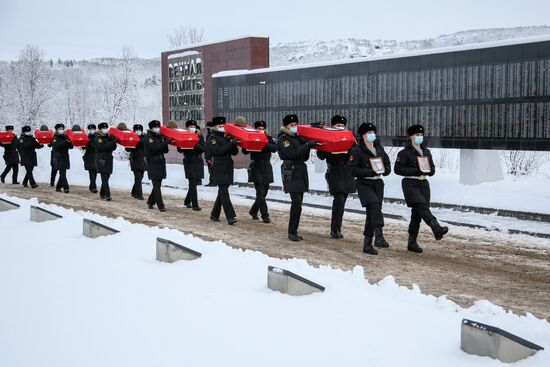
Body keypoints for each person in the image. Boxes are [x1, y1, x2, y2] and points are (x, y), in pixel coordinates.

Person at [394, 124, 448, 253]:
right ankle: (436, 227)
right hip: (410, 183)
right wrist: (417, 170)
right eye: (417, 135)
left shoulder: (426, 151)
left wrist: (428, 171)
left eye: (421, 135)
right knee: (422, 206)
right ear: (411, 136)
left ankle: (412, 243)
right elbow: (398, 169)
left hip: (423, 184)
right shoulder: (404, 153)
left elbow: (433, 169)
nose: (420, 137)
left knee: (417, 214)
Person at [349, 123, 391, 255]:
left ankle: (367, 244)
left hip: (377, 184)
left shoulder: (379, 149)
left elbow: (387, 163)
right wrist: (370, 171)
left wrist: (385, 170)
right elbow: (353, 170)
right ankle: (379, 235)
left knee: (371, 213)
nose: (371, 135)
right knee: (374, 206)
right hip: (364, 184)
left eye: (373, 132)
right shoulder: (357, 151)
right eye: (368, 133)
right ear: (362, 135)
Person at [277, 114, 317, 241]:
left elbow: (303, 156)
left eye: (295, 125)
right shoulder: (283, 139)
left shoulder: (298, 137)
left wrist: (308, 145)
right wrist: (307, 146)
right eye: (291, 125)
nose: (294, 127)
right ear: (286, 126)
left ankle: (294, 230)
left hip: (300, 170)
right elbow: (292, 154)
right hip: (291, 171)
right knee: (296, 201)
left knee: (299, 202)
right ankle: (292, 231)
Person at [317, 115, 356, 238]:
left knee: (343, 200)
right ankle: (335, 229)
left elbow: (356, 152)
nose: (340, 127)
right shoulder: (328, 137)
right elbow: (321, 155)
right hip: (334, 171)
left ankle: (337, 227)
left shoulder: (350, 138)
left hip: (347, 172)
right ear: (333, 126)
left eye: (342, 125)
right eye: (338, 125)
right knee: (338, 199)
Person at [243, 120, 277, 223]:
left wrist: (263, 143)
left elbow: (274, 148)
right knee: (260, 192)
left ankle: (254, 210)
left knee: (264, 191)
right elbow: (245, 150)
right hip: (256, 167)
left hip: (266, 166)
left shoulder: (269, 138)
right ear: (255, 129)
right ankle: (265, 215)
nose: (261, 130)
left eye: (263, 129)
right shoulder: (252, 138)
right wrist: (253, 142)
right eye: (259, 129)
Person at [207, 116, 238, 225]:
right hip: (219, 165)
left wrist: (233, 143)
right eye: (219, 126)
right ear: (215, 127)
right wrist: (230, 144)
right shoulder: (212, 138)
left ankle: (214, 214)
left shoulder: (226, 137)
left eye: (223, 126)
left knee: (222, 190)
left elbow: (234, 152)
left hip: (228, 165)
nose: (222, 127)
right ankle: (230, 216)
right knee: (224, 191)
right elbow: (218, 151)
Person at [144, 120, 172, 212]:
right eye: (155, 127)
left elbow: (165, 150)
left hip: (160, 162)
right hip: (153, 162)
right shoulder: (148, 137)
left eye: (158, 127)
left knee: (158, 184)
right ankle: (161, 205)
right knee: (156, 185)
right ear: (151, 128)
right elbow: (154, 148)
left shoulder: (159, 136)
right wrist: (165, 142)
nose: (157, 128)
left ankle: (150, 201)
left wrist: (165, 141)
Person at [177, 119, 205, 211]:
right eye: (190, 127)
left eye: (193, 127)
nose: (192, 128)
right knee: (192, 182)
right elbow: (180, 149)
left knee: (195, 183)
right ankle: (195, 205)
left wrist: (194, 143)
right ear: (187, 128)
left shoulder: (199, 136)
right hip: (189, 160)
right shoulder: (183, 136)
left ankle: (187, 201)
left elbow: (203, 148)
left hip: (198, 161)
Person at [93, 122, 117, 201]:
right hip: (101, 159)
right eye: (103, 128)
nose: (105, 130)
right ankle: (108, 195)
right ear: (100, 129)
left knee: (107, 177)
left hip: (109, 159)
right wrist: (112, 142)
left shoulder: (108, 137)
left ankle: (102, 193)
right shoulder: (97, 138)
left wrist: (114, 141)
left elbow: (113, 148)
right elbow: (102, 147)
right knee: (104, 178)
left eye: (106, 128)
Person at [50, 123, 73, 193]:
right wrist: (65, 142)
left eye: (62, 129)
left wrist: (70, 142)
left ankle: (58, 187)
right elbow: (56, 146)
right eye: (60, 129)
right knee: (62, 173)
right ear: (57, 130)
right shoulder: (54, 138)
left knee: (63, 173)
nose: (61, 130)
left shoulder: (66, 137)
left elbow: (71, 147)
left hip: (65, 156)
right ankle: (66, 187)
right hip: (58, 157)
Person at [126, 124, 146, 200]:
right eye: (136, 130)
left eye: (139, 130)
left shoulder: (145, 137)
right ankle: (139, 194)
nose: (138, 131)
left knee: (140, 177)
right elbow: (127, 149)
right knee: (138, 177)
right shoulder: (131, 138)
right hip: (134, 159)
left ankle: (134, 192)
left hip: (143, 160)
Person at [82, 123, 98, 193]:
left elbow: (96, 147)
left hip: (96, 156)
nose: (92, 130)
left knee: (95, 172)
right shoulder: (87, 137)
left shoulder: (97, 137)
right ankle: (93, 187)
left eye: (93, 129)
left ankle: (92, 186)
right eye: (90, 129)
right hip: (88, 157)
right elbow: (84, 147)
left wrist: (90, 142)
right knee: (91, 172)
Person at [204, 120, 215, 186]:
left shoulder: (212, 135)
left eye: (209, 127)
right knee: (210, 169)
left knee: (212, 169)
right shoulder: (209, 135)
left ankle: (213, 182)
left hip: (211, 156)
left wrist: (209, 157)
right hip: (208, 155)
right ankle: (211, 181)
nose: (208, 129)